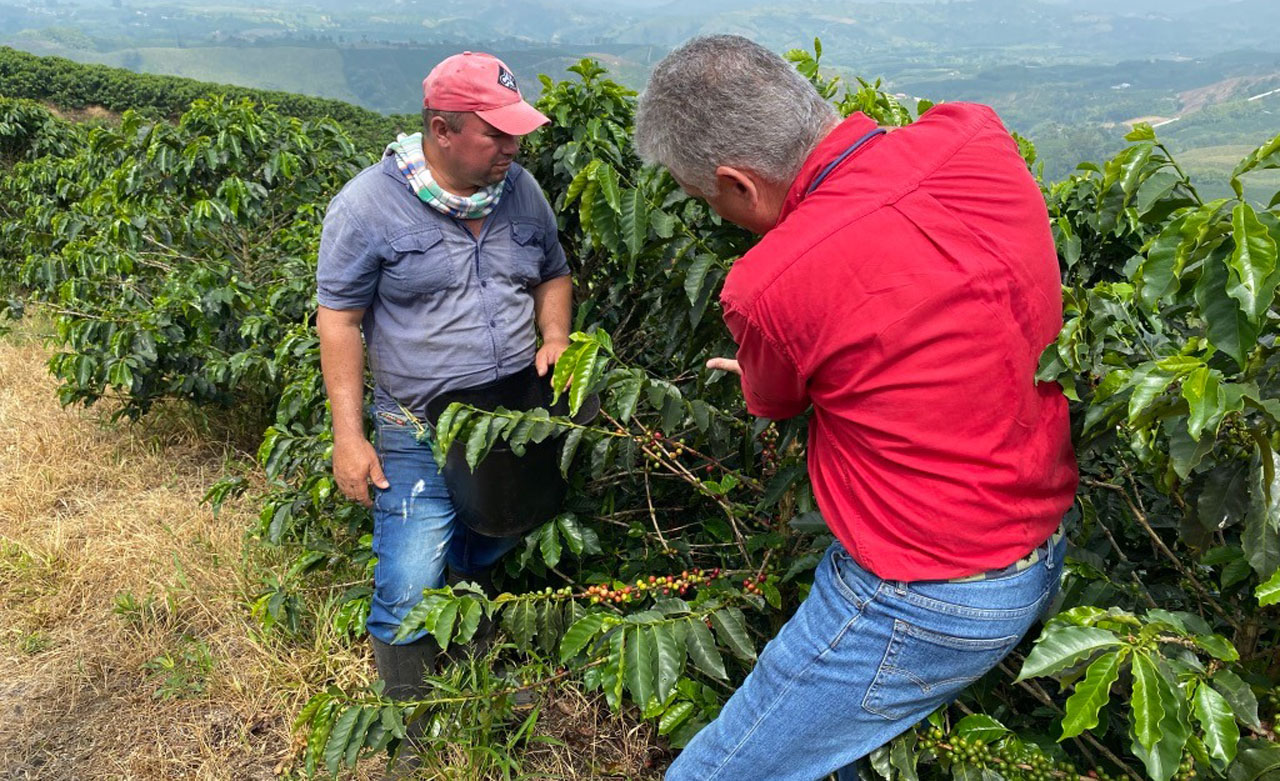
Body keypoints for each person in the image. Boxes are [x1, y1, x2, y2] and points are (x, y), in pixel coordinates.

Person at [634, 36, 1078, 781]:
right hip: (1042, 541)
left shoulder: (768, 284)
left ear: (738, 184)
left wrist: (760, 354)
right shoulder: (973, 132)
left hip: (926, 591)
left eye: (705, 198)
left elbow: (773, 399)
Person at [314, 51, 572, 712]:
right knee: (407, 571)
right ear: (441, 129)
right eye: (496, 133)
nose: (511, 148)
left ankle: (469, 639)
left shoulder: (521, 191)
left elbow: (553, 270)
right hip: (416, 422)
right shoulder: (368, 207)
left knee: (497, 526)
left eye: (515, 133)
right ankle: (411, 713)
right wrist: (350, 436)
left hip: (509, 414)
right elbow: (339, 319)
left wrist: (555, 338)